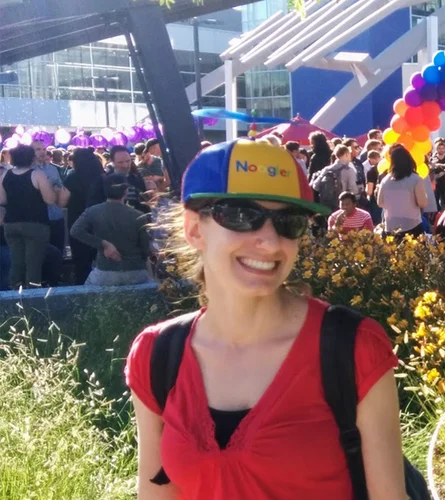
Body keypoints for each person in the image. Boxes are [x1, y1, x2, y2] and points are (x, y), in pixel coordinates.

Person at [124, 139, 408, 498]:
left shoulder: (353, 348)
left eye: (289, 222)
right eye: (243, 216)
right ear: (195, 229)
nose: (272, 243)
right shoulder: (157, 355)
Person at [70, 173, 154, 286]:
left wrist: (102, 243)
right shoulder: (138, 215)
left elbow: (75, 231)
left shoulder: (92, 211)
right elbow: (145, 249)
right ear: (126, 191)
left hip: (105, 272)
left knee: (85, 294)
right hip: (136, 272)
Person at [0, 145, 57, 288]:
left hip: (11, 223)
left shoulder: (5, 175)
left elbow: (2, 200)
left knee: (16, 262)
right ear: (31, 158)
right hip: (35, 224)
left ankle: (13, 296)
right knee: (34, 264)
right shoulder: (37, 175)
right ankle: (32, 299)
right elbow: (50, 200)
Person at [63, 147, 106, 285]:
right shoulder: (103, 176)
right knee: (101, 257)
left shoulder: (72, 176)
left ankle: (82, 288)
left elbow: (62, 201)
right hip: (100, 221)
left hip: (77, 221)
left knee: (81, 261)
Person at [376, 145, 428, 240]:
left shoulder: (385, 180)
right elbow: (422, 203)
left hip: (391, 226)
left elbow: (380, 203)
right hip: (412, 225)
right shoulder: (416, 179)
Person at [31, 140, 70, 255]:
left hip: (56, 217)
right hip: (38, 219)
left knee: (58, 252)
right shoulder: (29, 170)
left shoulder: (52, 169)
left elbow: (60, 188)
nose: (42, 152)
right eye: (38, 149)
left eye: (44, 149)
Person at [310, 145, 359, 213]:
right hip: (342, 206)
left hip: (325, 205)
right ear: (346, 154)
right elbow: (353, 190)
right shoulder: (348, 170)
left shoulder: (326, 169)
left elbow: (315, 186)